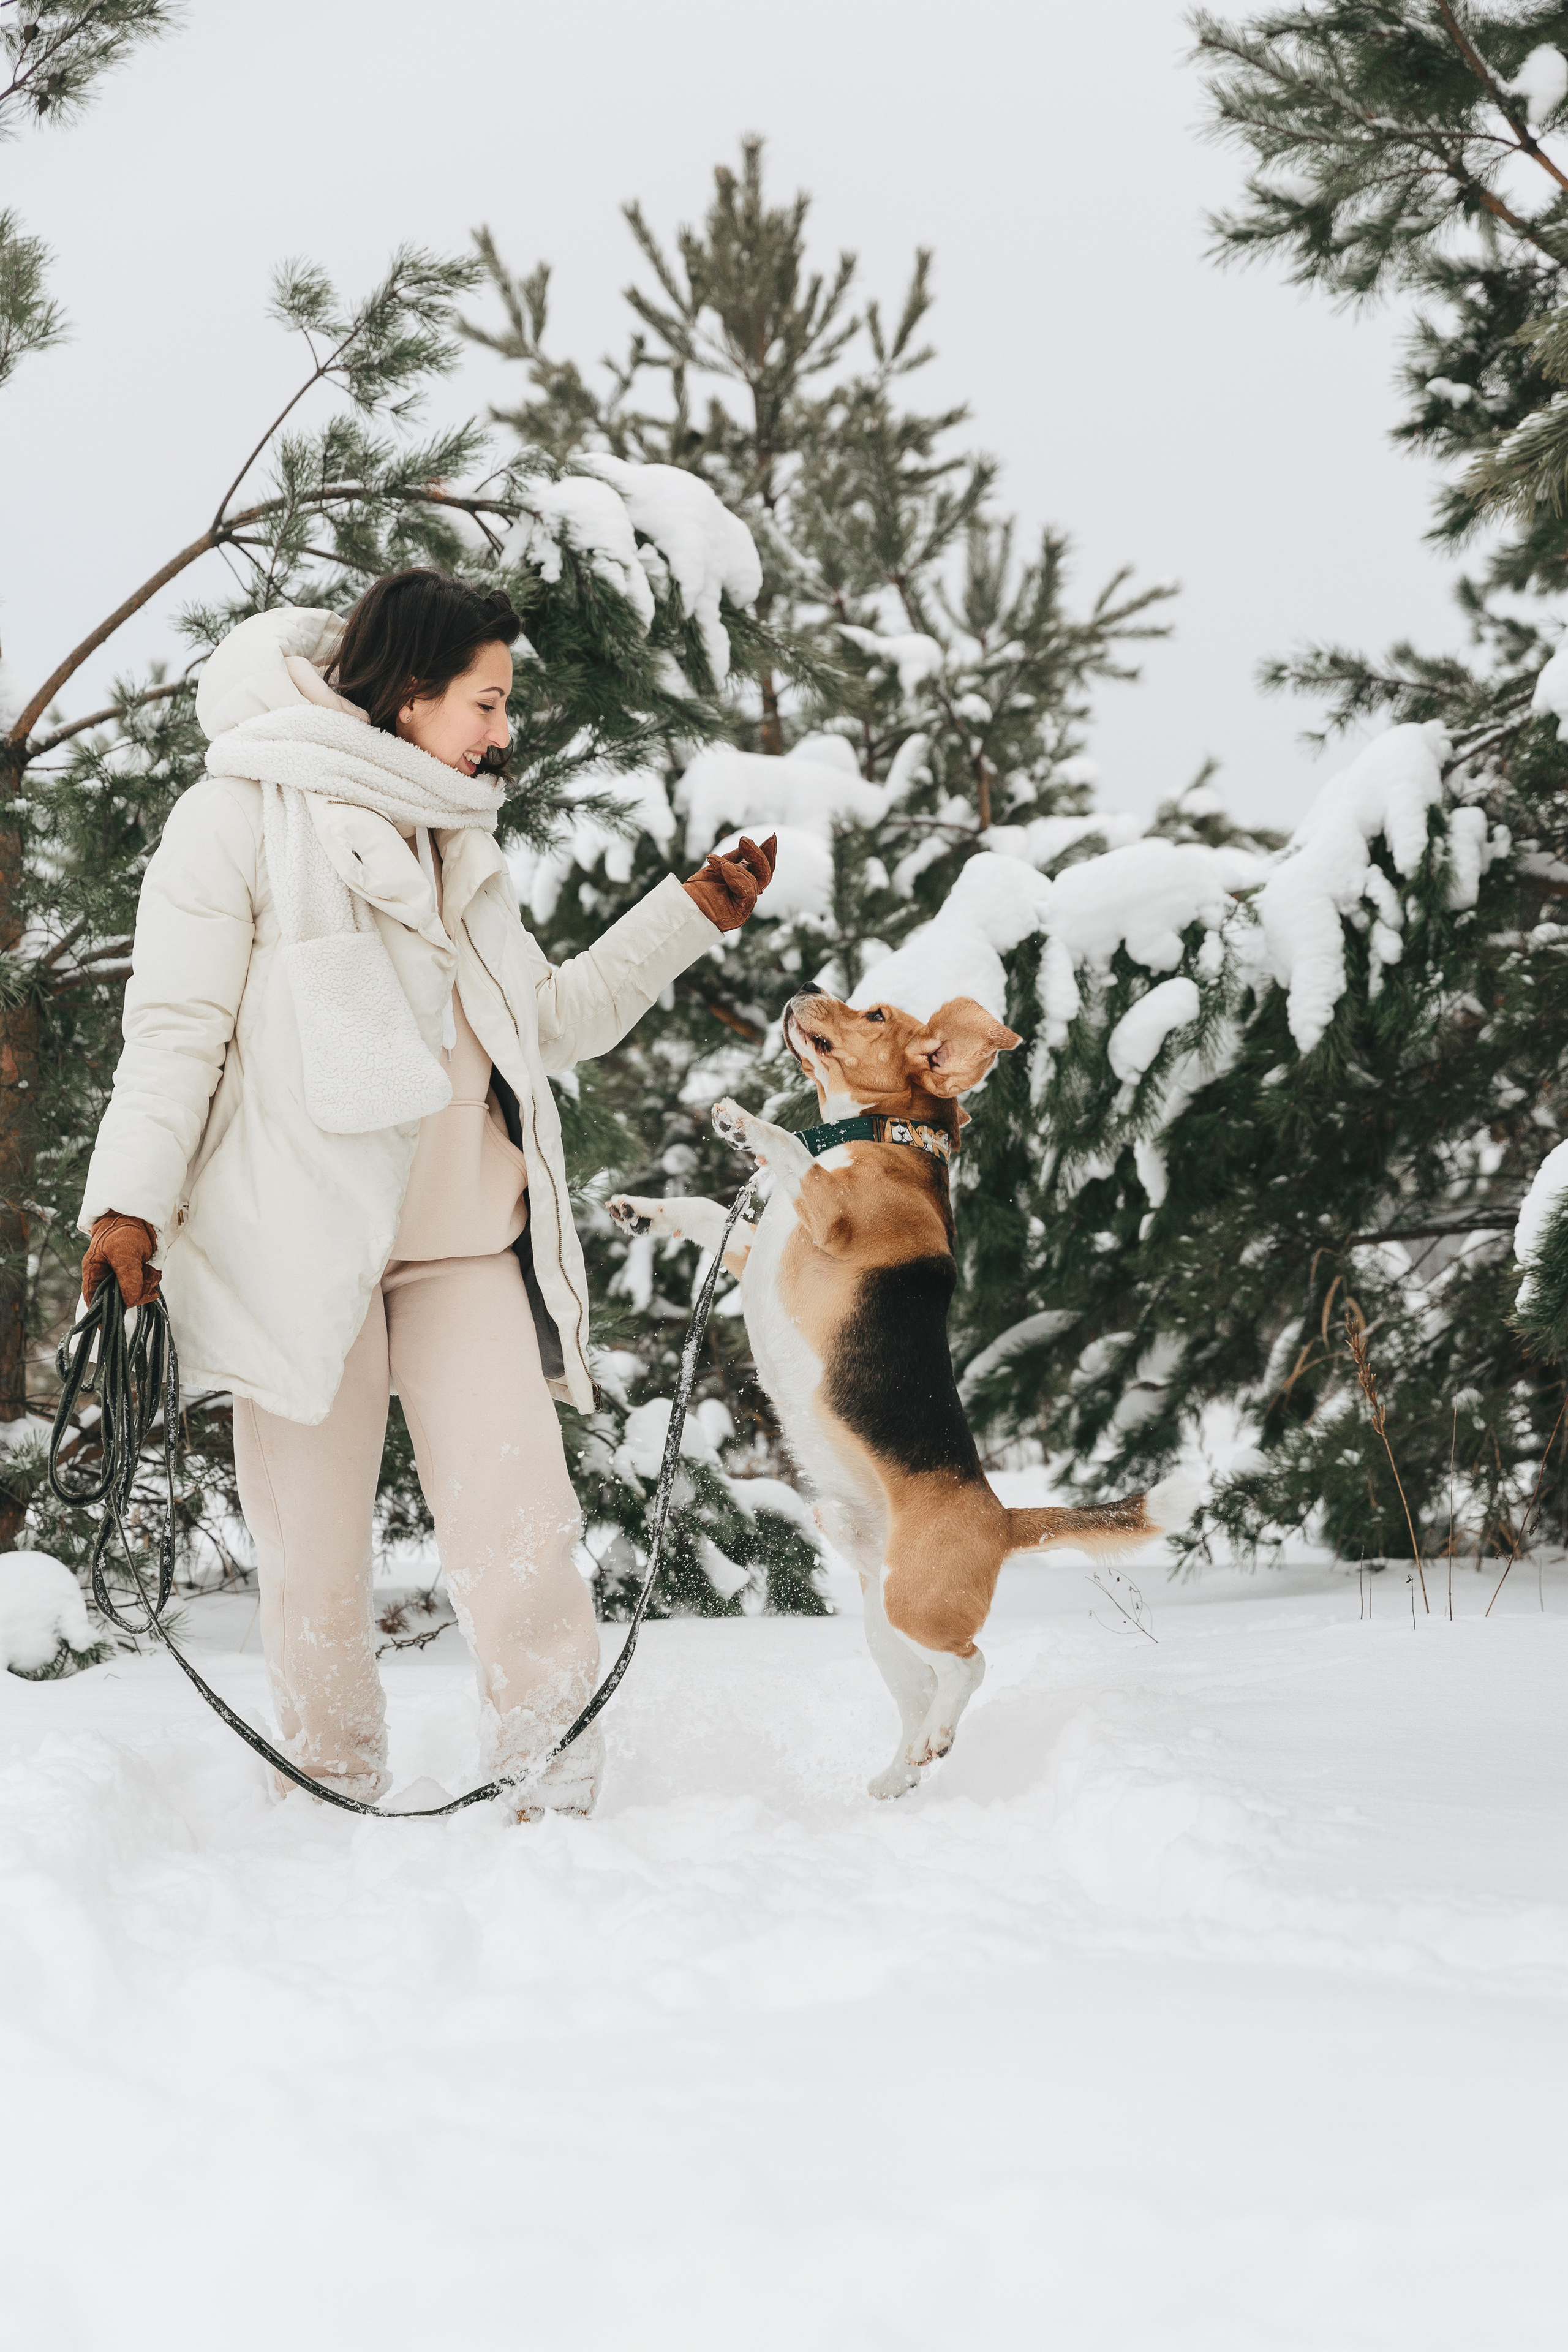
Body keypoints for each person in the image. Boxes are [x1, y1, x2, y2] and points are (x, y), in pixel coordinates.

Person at [76, 571, 775, 1815]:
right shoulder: (236, 816)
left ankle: (550, 1779)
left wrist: (687, 917)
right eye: (487, 702)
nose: (504, 732)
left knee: (522, 1532)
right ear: (409, 694)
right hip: (296, 1252)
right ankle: (328, 1783)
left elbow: (543, 1024)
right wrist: (127, 1205)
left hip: (463, 1247)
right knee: (313, 1563)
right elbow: (175, 1032)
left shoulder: (457, 833)